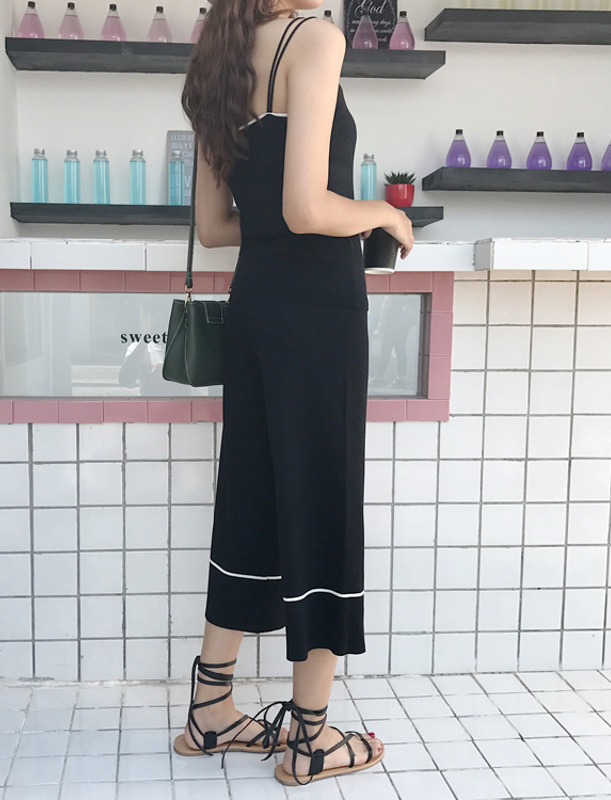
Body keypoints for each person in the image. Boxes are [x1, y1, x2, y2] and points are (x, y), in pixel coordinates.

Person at [172, 0, 414, 787]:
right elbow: (308, 207)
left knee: (249, 496)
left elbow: (216, 227)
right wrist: (380, 214)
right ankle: (311, 738)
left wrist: (288, 225)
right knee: (321, 499)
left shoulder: (218, 55)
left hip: (255, 309)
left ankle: (211, 710)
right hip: (316, 312)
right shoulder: (314, 38)